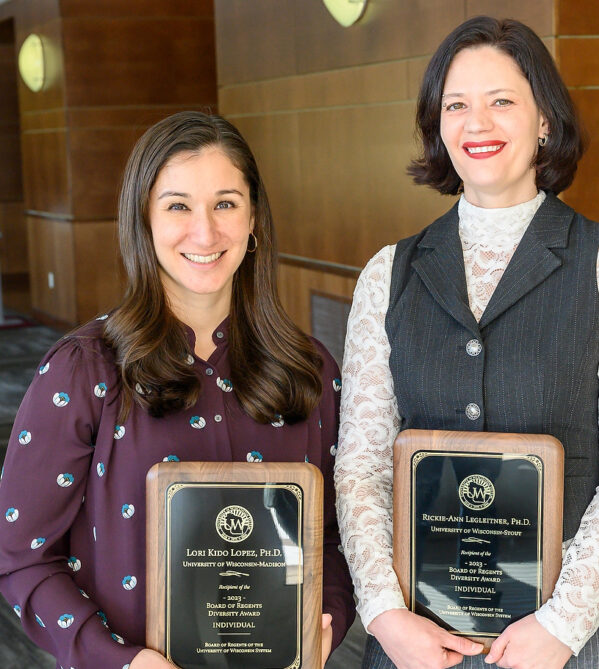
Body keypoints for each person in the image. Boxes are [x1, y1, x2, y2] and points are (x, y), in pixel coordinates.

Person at [334, 16, 599, 669]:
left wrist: (562, 623)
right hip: (418, 639)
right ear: (437, 126)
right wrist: (385, 615)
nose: (476, 122)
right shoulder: (388, 272)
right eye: (456, 105)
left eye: (502, 101)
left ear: (545, 118)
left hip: (570, 638)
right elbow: (362, 467)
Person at [0, 111, 355, 669]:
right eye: (178, 205)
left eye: (225, 203)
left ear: (254, 217)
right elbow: (22, 557)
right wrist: (116, 660)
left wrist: (326, 624)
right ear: (143, 219)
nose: (205, 232)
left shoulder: (309, 369)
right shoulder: (83, 371)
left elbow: (338, 535)